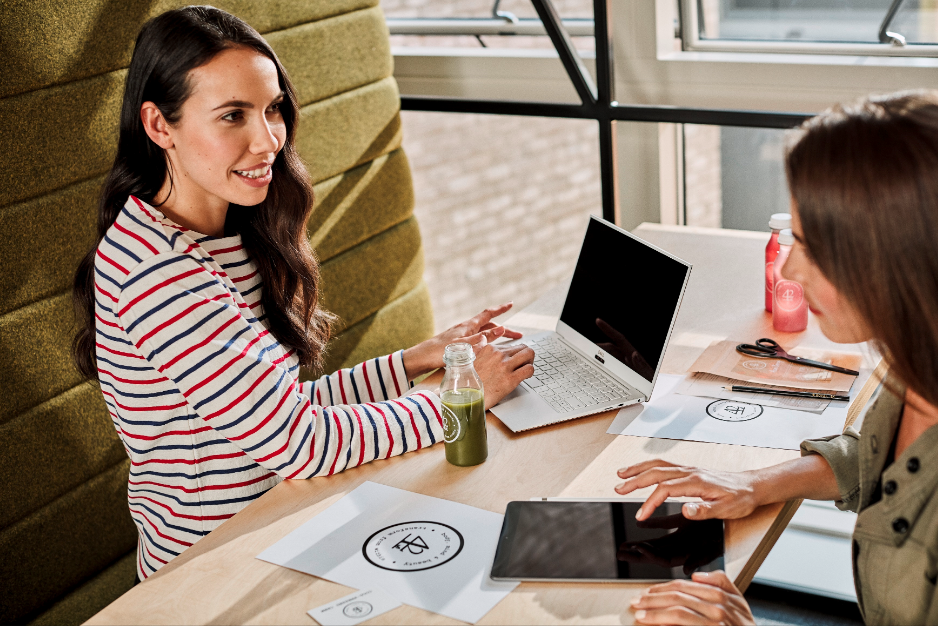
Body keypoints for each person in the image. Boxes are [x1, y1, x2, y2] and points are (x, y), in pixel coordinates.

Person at [71, 6, 534, 581]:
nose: (267, 140)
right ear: (159, 125)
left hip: (280, 520)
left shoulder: (220, 235)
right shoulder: (159, 271)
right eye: (232, 116)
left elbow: (279, 409)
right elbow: (299, 443)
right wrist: (463, 398)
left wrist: (414, 361)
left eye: (272, 110)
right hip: (211, 569)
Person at [616, 90, 938, 625]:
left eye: (812, 248)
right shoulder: (912, 359)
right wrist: (754, 484)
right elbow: (876, 454)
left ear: (896, 258)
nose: (788, 272)